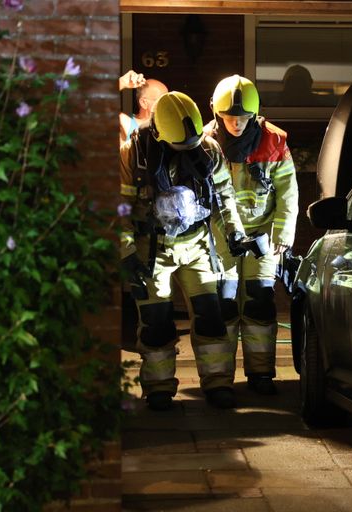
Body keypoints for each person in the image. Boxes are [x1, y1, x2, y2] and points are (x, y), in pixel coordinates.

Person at [120, 91, 250, 411]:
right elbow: (118, 209)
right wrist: (125, 254)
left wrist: (235, 233)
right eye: (181, 148)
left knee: (211, 315)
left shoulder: (208, 149)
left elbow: (225, 197)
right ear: (160, 135)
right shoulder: (132, 153)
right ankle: (159, 387)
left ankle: (218, 383)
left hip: (197, 245)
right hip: (152, 248)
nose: (187, 152)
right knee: (156, 320)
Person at [205, 74, 299, 395]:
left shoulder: (273, 142)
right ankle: (218, 381)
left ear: (254, 116)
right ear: (218, 114)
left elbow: (288, 193)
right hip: (221, 240)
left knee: (260, 301)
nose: (236, 124)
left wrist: (283, 232)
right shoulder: (207, 143)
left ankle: (261, 373)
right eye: (230, 118)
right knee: (223, 304)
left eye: (243, 118)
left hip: (263, 237)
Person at [119, 70, 168, 146]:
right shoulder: (126, 122)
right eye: (162, 100)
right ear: (144, 103)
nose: (166, 105)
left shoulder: (169, 126)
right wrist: (122, 82)